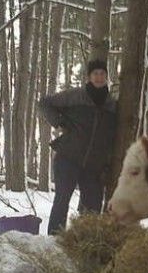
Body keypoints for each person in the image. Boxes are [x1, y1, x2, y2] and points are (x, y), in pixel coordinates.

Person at [39, 59, 118, 235]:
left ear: (106, 77)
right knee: (62, 200)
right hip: (68, 158)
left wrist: (106, 163)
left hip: (93, 166)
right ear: (89, 77)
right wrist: (60, 122)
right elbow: (44, 103)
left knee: (93, 207)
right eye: (95, 74)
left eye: (102, 74)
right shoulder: (76, 96)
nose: (99, 77)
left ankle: (84, 242)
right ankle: (55, 241)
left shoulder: (112, 105)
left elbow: (111, 138)